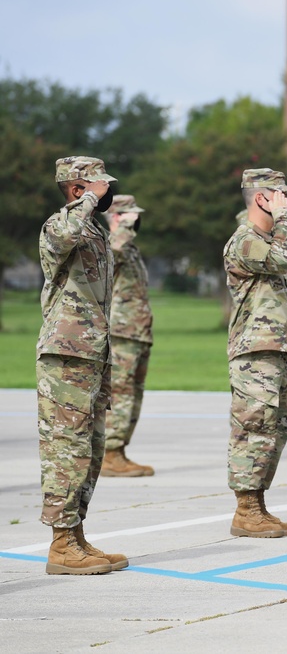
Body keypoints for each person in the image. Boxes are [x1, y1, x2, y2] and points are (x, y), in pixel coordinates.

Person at [38, 156, 127, 574]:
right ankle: (60, 544)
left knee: (89, 447)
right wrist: (86, 202)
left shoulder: (93, 231)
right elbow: (63, 235)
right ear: (78, 189)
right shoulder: (61, 224)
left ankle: (75, 535)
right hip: (67, 352)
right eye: (99, 186)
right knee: (66, 447)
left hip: (92, 351)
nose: (107, 191)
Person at [224, 168, 287, 538]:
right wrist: (285, 218)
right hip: (255, 352)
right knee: (254, 428)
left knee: (273, 430)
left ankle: (258, 504)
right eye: (279, 196)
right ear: (261, 198)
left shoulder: (266, 241)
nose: (286, 202)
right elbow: (284, 258)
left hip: (274, 349)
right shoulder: (245, 241)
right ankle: (245, 510)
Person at [100, 195, 155, 477]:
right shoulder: (112, 245)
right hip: (122, 332)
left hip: (138, 332)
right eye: (130, 217)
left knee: (133, 395)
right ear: (116, 218)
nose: (136, 223)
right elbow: (115, 245)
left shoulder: (131, 249)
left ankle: (119, 451)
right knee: (120, 394)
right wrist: (121, 224)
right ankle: (110, 454)